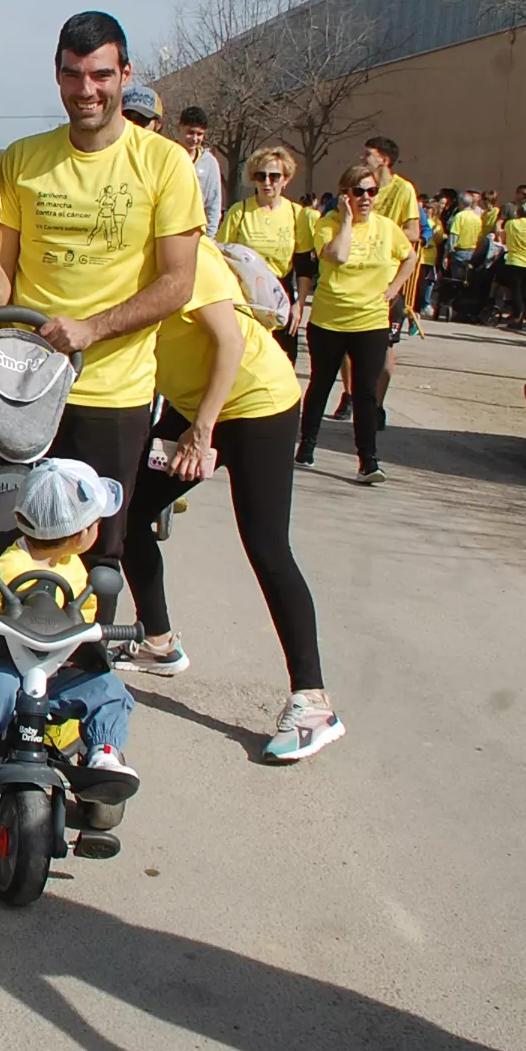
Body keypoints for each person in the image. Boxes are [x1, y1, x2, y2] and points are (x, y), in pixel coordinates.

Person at [0, 12, 201, 608]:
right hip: (27, 390)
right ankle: (11, 677)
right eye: (73, 75)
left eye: (100, 74)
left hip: (115, 391)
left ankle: (82, 675)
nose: (86, 90)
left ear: (125, 74)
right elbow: (1, 261)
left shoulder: (164, 163)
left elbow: (178, 283)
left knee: (98, 548)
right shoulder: (23, 157)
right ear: (57, 76)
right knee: (17, 535)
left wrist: (90, 329)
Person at [119, 238, 343, 761]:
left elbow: (229, 342)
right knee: (126, 512)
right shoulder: (120, 252)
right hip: (191, 403)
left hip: (254, 403)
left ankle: (313, 701)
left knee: (267, 546)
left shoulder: (188, 255)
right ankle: (159, 642)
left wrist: (202, 431)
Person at [0, 459, 137, 782]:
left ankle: (104, 752)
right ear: (83, 534)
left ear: (18, 516)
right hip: (3, 663)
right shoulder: (4, 569)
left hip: (53, 670)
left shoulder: (76, 569)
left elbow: (83, 623)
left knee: (108, 688)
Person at [299, 162, 415, 484]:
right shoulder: (328, 224)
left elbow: (410, 257)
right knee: (321, 383)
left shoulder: (387, 227)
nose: (365, 198)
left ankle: (368, 460)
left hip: (370, 321)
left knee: (365, 391)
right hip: (329, 320)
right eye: (358, 192)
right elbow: (337, 255)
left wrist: (394, 288)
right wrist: (347, 221)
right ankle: (306, 446)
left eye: (371, 192)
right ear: (345, 195)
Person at [329, 136, 419, 425]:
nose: (362, 158)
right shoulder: (356, 184)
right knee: (344, 344)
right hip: (352, 273)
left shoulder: (403, 190)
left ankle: (376, 405)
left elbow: (414, 232)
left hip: (385, 277)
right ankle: (350, 394)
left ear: (385, 160)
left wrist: (380, 235)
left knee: (384, 346)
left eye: (369, 155)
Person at [217, 146, 314, 363]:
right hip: (246, 296)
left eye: (274, 176)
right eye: (261, 176)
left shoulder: (296, 215)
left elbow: (304, 266)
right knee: (246, 361)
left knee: (283, 363)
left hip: (281, 295)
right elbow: (221, 256)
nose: (267, 182)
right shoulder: (239, 212)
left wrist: (299, 307)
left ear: (286, 179)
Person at [177, 106, 223, 237]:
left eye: (199, 134)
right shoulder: (167, 155)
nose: (195, 138)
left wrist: (210, 236)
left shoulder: (210, 163)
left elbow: (214, 202)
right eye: (190, 132)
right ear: (179, 128)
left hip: (197, 232)